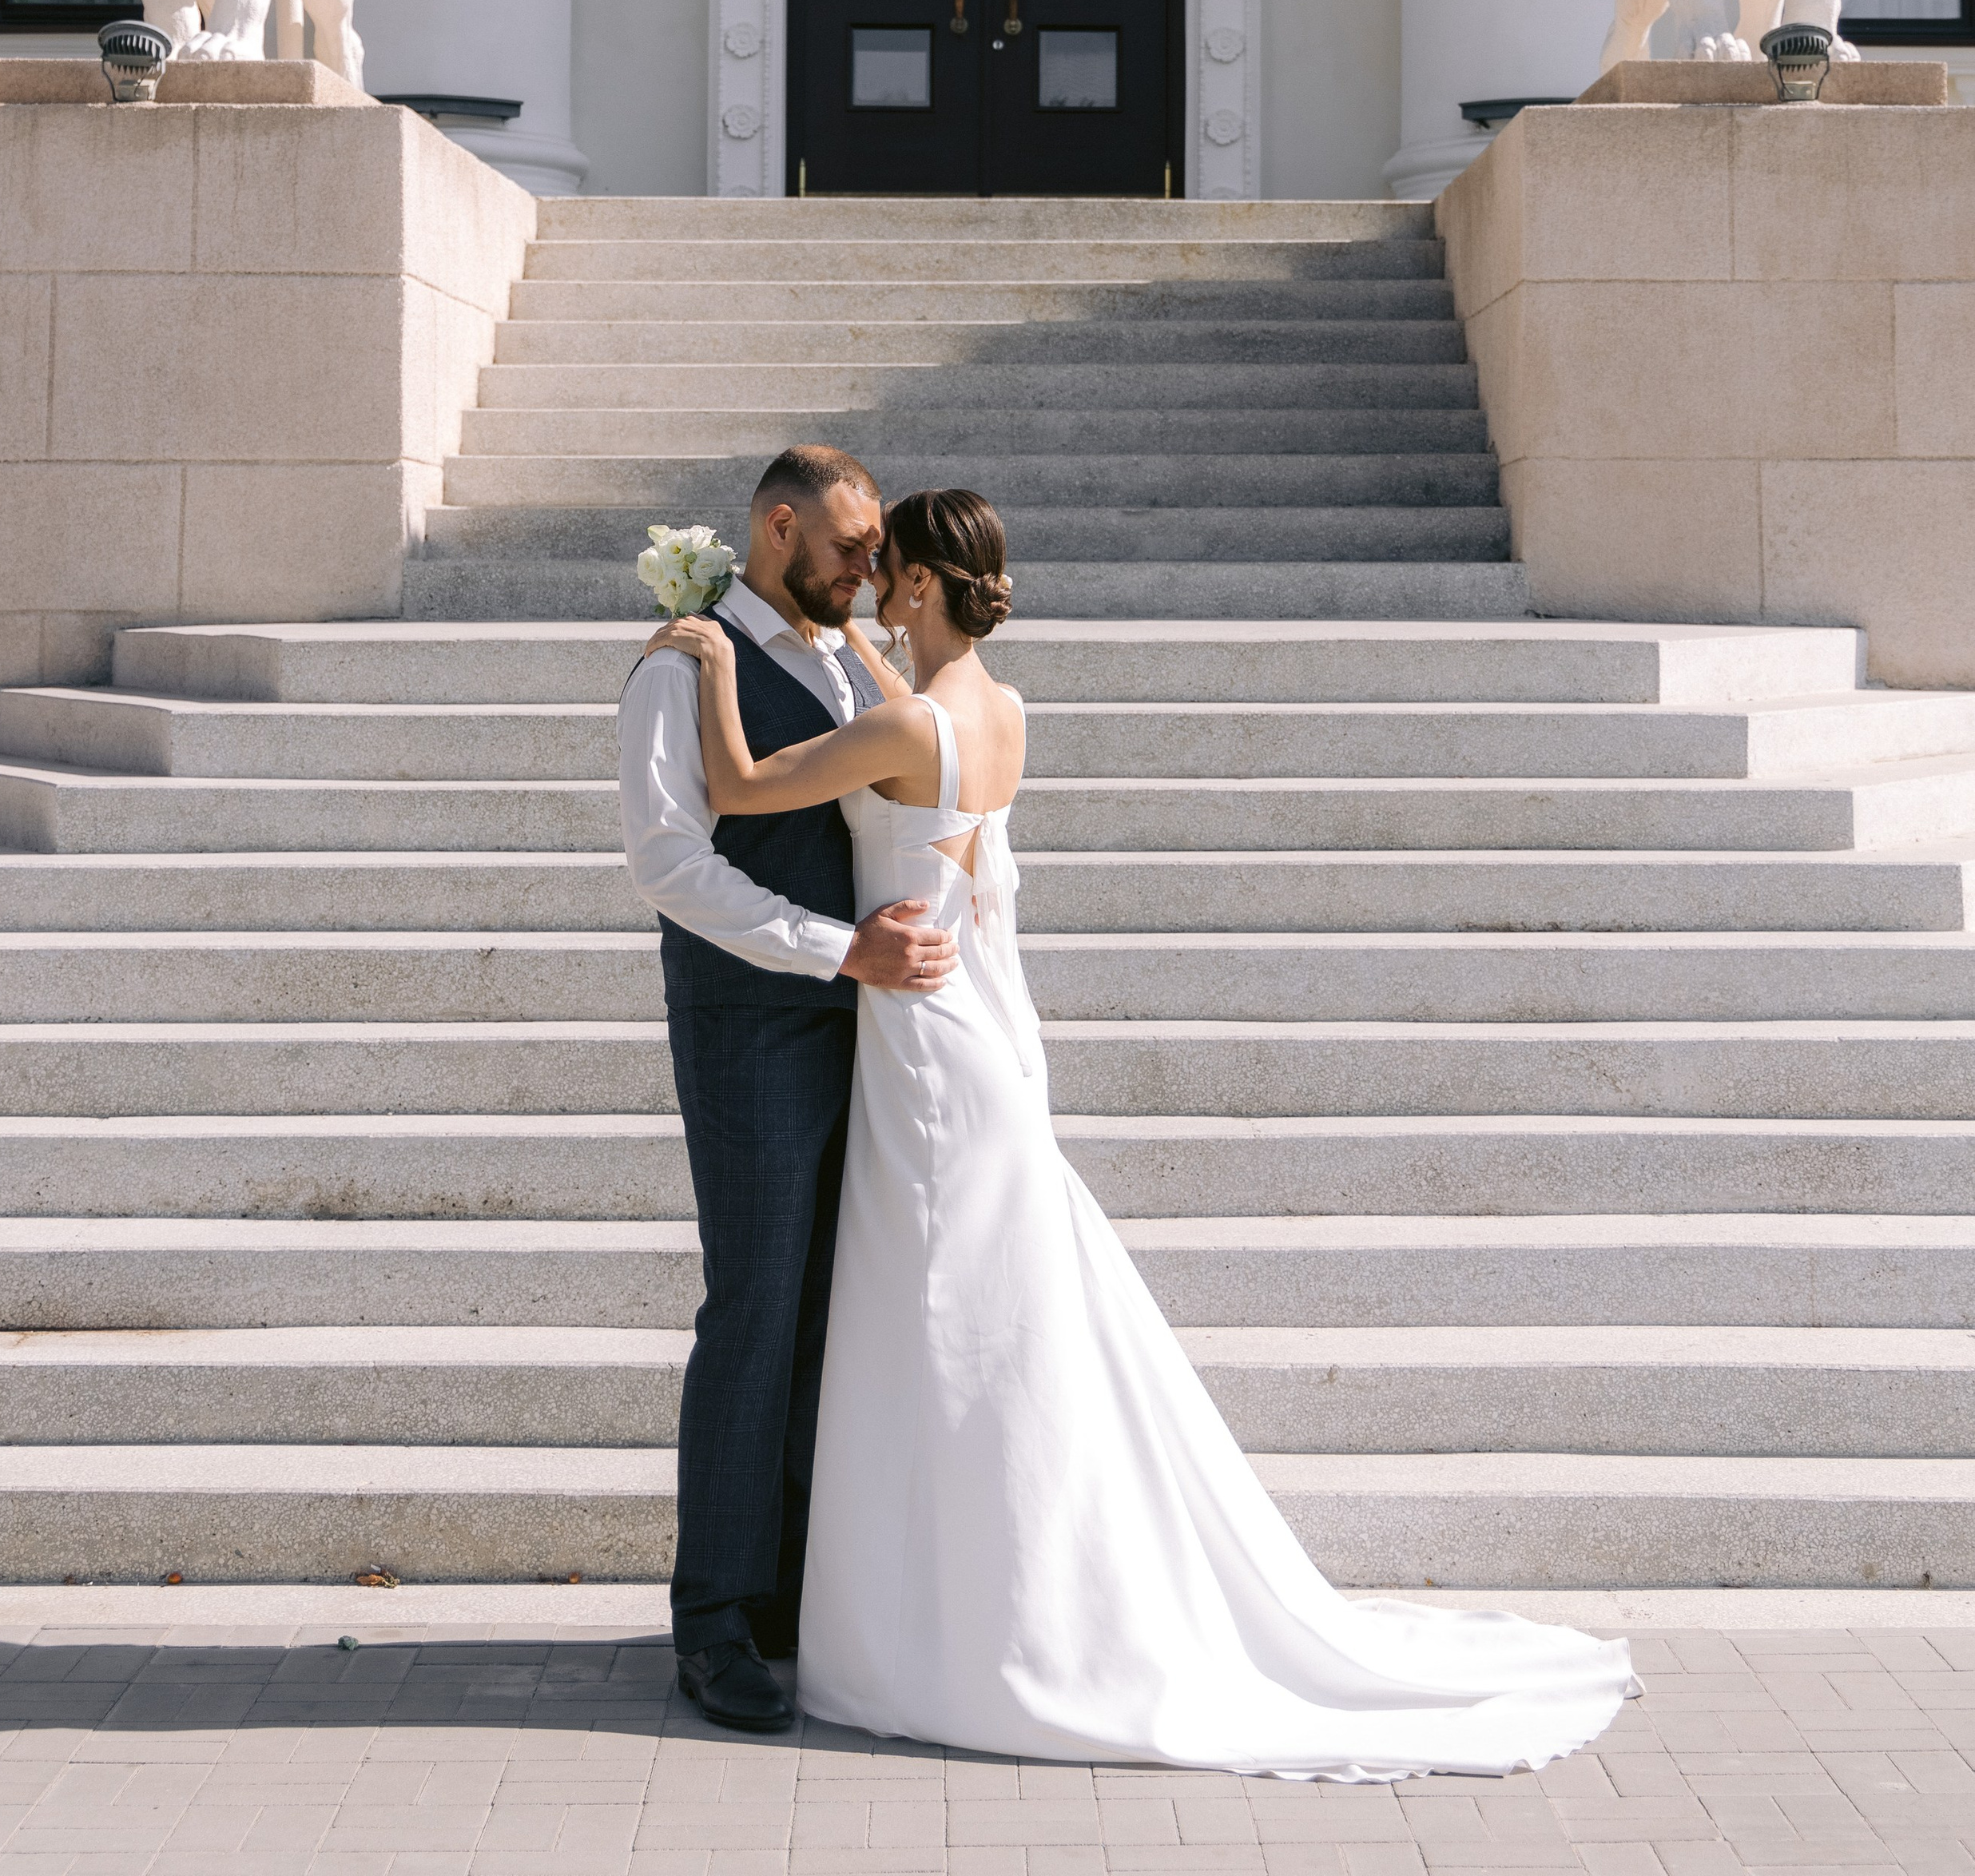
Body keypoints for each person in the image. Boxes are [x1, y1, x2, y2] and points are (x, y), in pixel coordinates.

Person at [645, 485, 1640, 1783]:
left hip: (922, 1033)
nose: (869, 579)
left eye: (888, 566)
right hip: (986, 1028)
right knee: (970, 1314)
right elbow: (919, 723)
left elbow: (735, 784)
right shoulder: (997, 710)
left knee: (936, 1315)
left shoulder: (898, 720)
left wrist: (709, 652)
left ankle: (952, 1605)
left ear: (923, 587)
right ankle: (961, 1584)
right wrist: (858, 645)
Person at [618, 443, 953, 1738]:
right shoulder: (680, 664)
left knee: (827, 1310)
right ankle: (711, 1620)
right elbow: (670, 862)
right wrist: (837, 948)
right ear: (777, 527)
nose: (872, 563)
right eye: (851, 543)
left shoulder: (844, 656)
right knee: (755, 1309)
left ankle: (787, 1596)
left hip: (864, 1026)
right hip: (752, 1025)